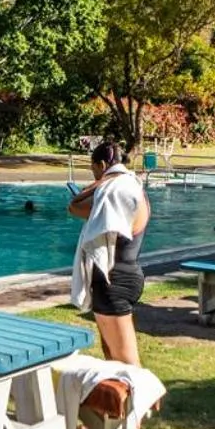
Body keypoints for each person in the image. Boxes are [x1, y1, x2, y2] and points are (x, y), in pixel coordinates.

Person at [68, 140, 151, 367]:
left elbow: (73, 206)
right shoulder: (132, 189)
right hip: (122, 276)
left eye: (94, 170)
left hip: (113, 281)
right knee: (114, 361)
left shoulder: (114, 191)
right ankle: (121, 403)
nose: (94, 176)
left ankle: (142, 402)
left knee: (128, 364)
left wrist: (97, 184)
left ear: (103, 164)